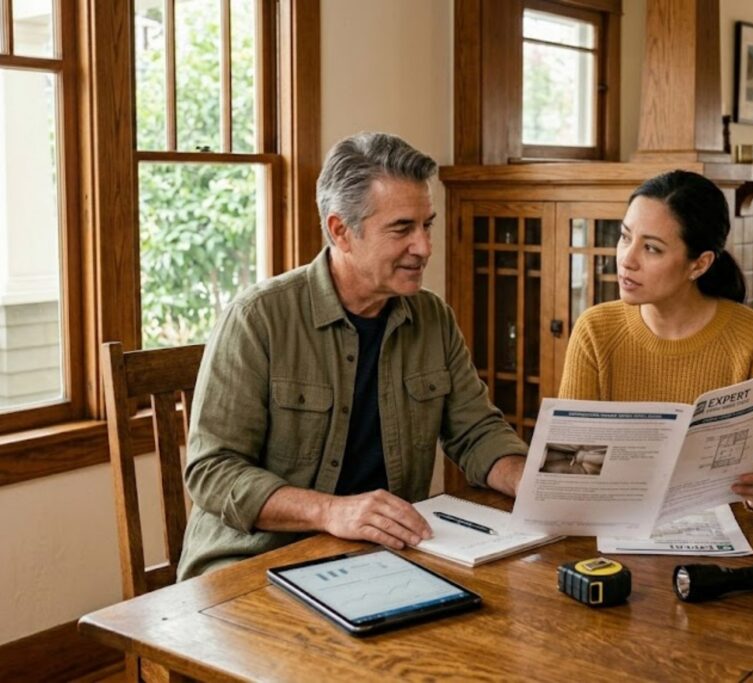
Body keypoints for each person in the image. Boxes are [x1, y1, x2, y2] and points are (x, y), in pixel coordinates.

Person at [177, 132, 527, 579]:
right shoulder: (258, 318)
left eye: (428, 225)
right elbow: (213, 471)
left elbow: (476, 432)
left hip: (381, 559)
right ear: (341, 231)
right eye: (402, 229)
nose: (424, 247)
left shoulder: (432, 317)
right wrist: (329, 512)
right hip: (253, 564)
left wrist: (530, 482)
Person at [558, 170, 753, 517]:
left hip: (725, 548)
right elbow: (569, 464)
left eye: (651, 248)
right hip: (615, 533)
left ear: (700, 264)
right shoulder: (595, 330)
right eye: (624, 237)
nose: (626, 259)